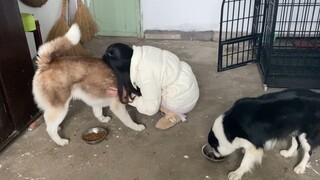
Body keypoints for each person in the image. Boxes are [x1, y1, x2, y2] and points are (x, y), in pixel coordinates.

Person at [102, 43, 199, 130]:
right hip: (187, 83)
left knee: (152, 104)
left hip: (182, 99)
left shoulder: (145, 76)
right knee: (152, 88)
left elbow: (150, 109)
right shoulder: (143, 51)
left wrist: (128, 97)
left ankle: (174, 114)